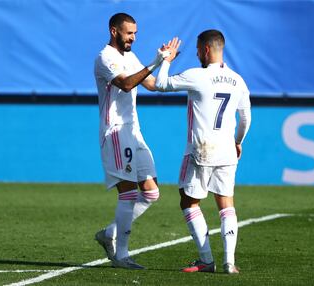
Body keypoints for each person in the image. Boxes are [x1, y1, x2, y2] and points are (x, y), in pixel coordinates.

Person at [155, 31, 251, 274]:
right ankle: (229, 262)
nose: (197, 53)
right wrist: (238, 141)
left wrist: (167, 60)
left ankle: (206, 260)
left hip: (200, 149)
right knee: (226, 203)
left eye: (198, 49)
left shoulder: (196, 75)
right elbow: (245, 119)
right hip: (227, 150)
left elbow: (161, 84)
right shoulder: (237, 80)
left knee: (188, 201)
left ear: (206, 50)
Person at [94, 12, 170, 270]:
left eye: (135, 33)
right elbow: (126, 84)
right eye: (129, 33)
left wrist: (166, 64)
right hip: (116, 131)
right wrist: (154, 62)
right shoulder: (105, 57)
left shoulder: (130, 56)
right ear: (114, 31)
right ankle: (122, 255)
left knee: (151, 192)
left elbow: (150, 84)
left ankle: (109, 233)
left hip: (134, 130)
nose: (133, 38)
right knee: (128, 193)